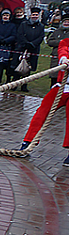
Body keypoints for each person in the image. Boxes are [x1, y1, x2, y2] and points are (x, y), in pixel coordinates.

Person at [19, 38, 69, 166]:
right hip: (61, 87)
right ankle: (28, 141)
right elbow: (63, 50)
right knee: (42, 111)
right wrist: (64, 59)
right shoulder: (65, 42)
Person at [14, 7, 45, 92]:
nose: (34, 16)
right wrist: (25, 43)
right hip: (22, 48)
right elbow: (20, 34)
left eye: (36, 15)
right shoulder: (24, 24)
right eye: (33, 14)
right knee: (18, 66)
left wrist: (32, 44)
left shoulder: (41, 26)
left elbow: (41, 37)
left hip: (33, 49)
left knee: (28, 68)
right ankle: (14, 84)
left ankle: (24, 86)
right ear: (30, 15)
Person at [46, 10, 69, 83]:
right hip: (56, 57)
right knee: (54, 78)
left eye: (68, 22)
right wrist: (60, 42)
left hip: (67, 58)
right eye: (65, 22)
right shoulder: (57, 31)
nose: (66, 23)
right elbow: (49, 42)